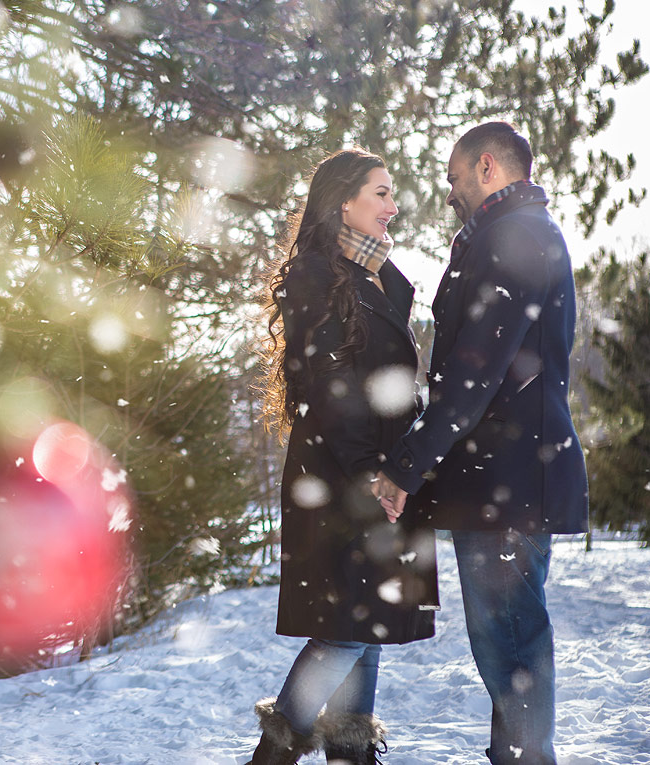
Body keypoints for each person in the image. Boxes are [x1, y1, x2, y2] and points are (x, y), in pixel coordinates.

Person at [372, 121, 588, 765]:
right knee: (506, 646)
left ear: (488, 167)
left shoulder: (514, 237)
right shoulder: (507, 235)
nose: (448, 193)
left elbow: (473, 373)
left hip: (509, 481)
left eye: (454, 178)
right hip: (506, 476)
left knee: (511, 644)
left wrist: (409, 464)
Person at [247, 148, 439, 765]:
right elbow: (334, 393)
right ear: (343, 202)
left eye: (392, 193)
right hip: (342, 476)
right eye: (381, 193)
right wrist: (370, 474)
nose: (393, 205)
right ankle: (272, 757)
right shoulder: (316, 276)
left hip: (381, 469)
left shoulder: (381, 275)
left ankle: (352, 755)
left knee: (369, 626)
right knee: (346, 631)